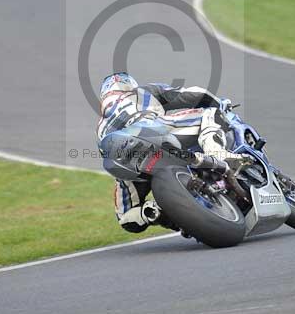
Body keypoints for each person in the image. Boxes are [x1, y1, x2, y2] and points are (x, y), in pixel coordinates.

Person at [96, 73, 250, 233]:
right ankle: (217, 153)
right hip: (151, 130)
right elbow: (192, 95)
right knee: (211, 113)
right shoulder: (142, 91)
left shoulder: (100, 125)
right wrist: (219, 103)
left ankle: (156, 214)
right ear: (128, 84)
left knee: (126, 217)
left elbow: (106, 152)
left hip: (124, 159)